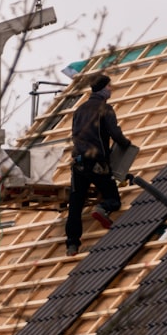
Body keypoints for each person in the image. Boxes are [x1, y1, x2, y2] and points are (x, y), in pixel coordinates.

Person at [65, 72, 131, 256]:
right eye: (109, 87)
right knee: (113, 199)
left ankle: (72, 244)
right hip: (96, 163)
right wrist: (127, 145)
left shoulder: (79, 110)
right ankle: (102, 208)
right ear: (102, 89)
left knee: (76, 204)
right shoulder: (105, 109)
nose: (111, 90)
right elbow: (115, 134)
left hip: (78, 162)